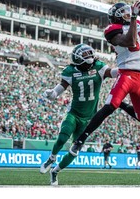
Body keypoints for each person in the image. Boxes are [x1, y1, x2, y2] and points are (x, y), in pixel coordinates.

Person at [69, 1, 140, 156]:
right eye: (125, 12)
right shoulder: (111, 30)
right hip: (126, 74)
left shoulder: (137, 23)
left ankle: (122, 105)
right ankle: (80, 139)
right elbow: (130, 41)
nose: (129, 13)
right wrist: (133, 17)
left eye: (129, 12)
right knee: (109, 106)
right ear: (118, 15)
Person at [39, 43, 120, 185]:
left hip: (89, 118)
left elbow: (114, 73)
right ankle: (52, 158)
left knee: (75, 150)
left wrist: (131, 67)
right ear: (77, 58)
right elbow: (61, 87)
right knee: (63, 136)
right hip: (74, 113)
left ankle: (55, 171)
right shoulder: (70, 71)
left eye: (89, 53)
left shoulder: (98, 66)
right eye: (85, 54)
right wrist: (53, 93)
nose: (89, 56)